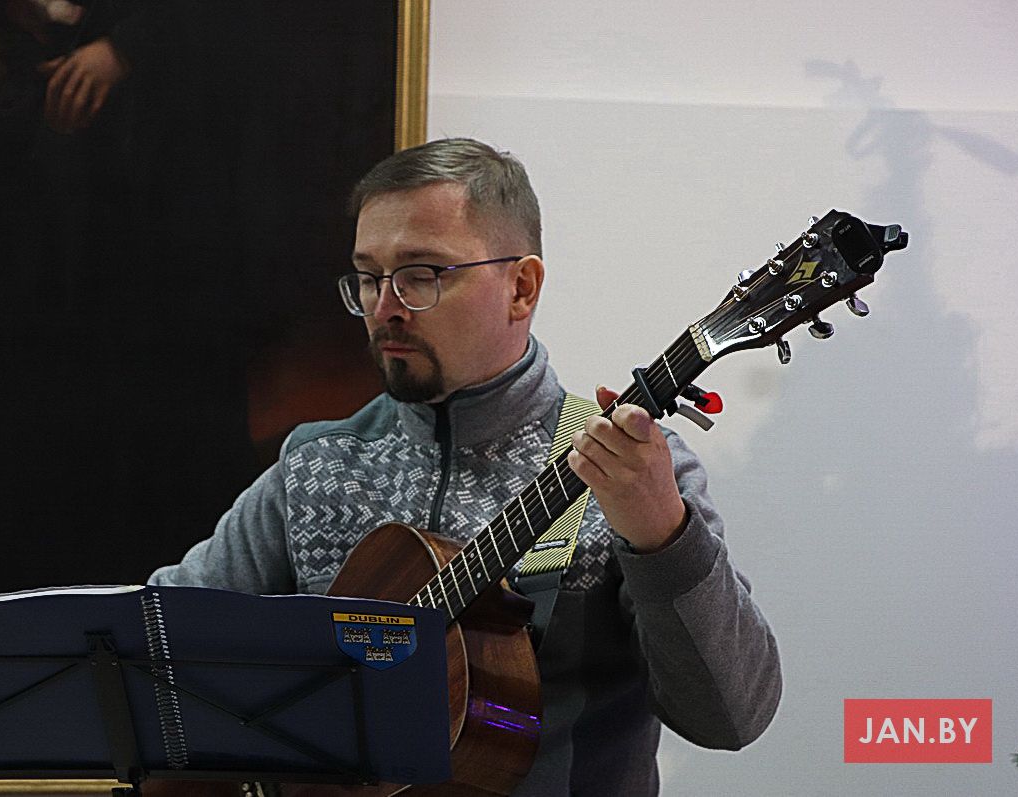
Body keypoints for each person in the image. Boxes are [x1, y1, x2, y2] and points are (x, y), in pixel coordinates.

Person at [150, 138, 782, 795]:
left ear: (520, 287)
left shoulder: (627, 472)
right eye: (369, 277)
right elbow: (157, 643)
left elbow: (730, 717)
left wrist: (663, 537)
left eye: (421, 274)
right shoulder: (318, 463)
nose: (385, 307)